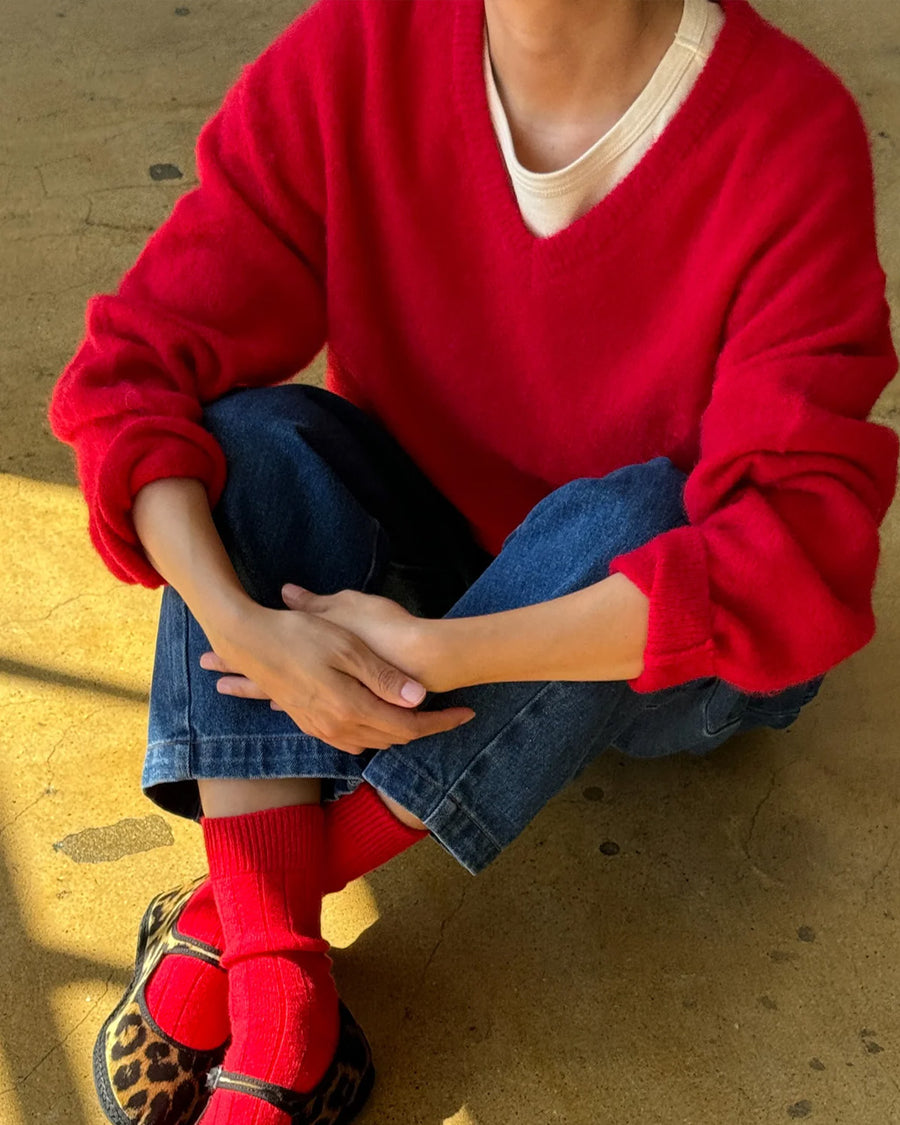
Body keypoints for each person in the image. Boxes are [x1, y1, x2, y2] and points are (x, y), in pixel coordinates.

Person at [49, 0, 897, 1121]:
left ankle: (243, 918)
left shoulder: (785, 132)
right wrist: (239, 621)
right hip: (431, 572)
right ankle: (281, 998)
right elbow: (141, 366)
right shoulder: (357, 53)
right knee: (252, 444)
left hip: (665, 665)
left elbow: (793, 544)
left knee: (636, 514)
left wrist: (448, 649)